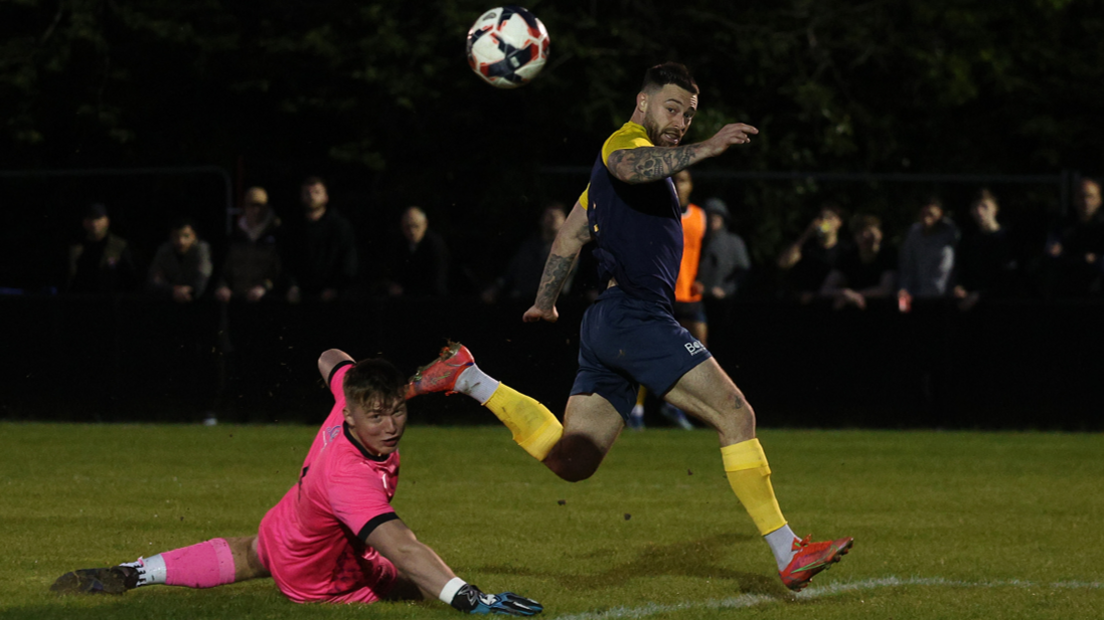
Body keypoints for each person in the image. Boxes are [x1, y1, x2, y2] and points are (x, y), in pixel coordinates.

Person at [408, 62, 852, 592]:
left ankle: (467, 377)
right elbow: (627, 165)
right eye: (672, 107)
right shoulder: (624, 147)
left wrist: (545, 302)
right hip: (637, 316)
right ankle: (788, 550)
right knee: (736, 414)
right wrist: (708, 147)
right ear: (642, 103)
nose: (682, 120)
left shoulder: (610, 182)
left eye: (689, 115)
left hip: (605, 324)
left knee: (573, 461)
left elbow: (569, 239)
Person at [49, 352, 542, 616]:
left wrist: (374, 381)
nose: (390, 425)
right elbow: (403, 546)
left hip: (287, 528)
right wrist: (470, 598)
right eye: (376, 416)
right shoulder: (352, 478)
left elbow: (331, 357)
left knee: (248, 554)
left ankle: (134, 572)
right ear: (350, 414)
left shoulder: (343, 399)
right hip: (322, 578)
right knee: (411, 584)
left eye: (397, 410)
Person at [631, 169, 706, 430]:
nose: (677, 185)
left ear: (691, 185)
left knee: (698, 353)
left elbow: (706, 253)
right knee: (649, 350)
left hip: (689, 295)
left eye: (682, 180)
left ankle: (676, 405)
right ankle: (636, 409)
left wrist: (706, 278)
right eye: (672, 180)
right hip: (661, 292)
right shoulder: (655, 213)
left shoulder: (699, 217)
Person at [281, 176, 358, 303]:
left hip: (332, 298)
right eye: (307, 192)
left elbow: (348, 260)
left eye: (317, 192)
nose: (311, 196)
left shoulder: (339, 226)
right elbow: (286, 259)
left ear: (326, 197)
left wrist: (335, 288)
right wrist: (292, 285)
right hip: (300, 297)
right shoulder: (293, 227)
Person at [482, 202, 573, 304]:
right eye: (549, 215)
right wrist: (495, 289)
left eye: (556, 216)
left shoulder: (570, 249)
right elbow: (511, 272)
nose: (552, 220)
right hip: (523, 302)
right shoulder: (529, 247)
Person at [953, 188, 1020, 311]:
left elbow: (1010, 279)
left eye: (984, 206)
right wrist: (959, 287)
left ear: (995, 210)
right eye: (975, 207)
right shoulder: (969, 241)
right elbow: (962, 271)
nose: (979, 212)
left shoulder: (1008, 239)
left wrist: (981, 295)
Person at [214, 186, 282, 303]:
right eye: (251, 205)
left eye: (260, 206)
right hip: (237, 301)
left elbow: (280, 273)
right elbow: (223, 269)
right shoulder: (235, 237)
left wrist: (264, 287)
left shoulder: (276, 236)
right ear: (245, 207)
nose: (256, 210)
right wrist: (222, 286)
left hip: (266, 301)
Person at [819, 214, 896, 310]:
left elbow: (886, 290)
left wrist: (856, 295)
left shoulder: (889, 256)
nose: (865, 236)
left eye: (869, 230)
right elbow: (826, 289)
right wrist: (845, 293)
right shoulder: (848, 258)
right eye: (860, 232)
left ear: (880, 234)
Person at [1044, 177, 1104, 297]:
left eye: (1091, 196)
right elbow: (1052, 253)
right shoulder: (1062, 226)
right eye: (1081, 196)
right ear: (1074, 200)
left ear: (1099, 200)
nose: (1086, 201)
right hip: (1069, 291)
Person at [897, 197, 959, 310]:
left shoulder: (948, 234)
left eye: (931, 214)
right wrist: (904, 289)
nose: (926, 218)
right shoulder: (914, 233)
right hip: (914, 295)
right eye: (923, 213)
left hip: (941, 298)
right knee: (901, 306)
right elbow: (907, 265)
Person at [777, 203, 846, 303]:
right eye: (820, 217)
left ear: (839, 223)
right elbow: (783, 263)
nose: (824, 220)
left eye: (829, 217)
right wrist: (807, 234)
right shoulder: (806, 247)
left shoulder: (843, 250)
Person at [66, 202, 139, 294]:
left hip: (110, 301)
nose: (94, 223)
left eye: (98, 218)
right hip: (82, 300)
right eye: (90, 218)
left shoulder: (119, 246)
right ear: (84, 222)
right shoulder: (76, 247)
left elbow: (131, 278)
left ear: (107, 221)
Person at [387, 206, 450, 298]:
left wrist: (406, 290)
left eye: (416, 226)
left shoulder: (435, 245)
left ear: (425, 224)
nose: (412, 231)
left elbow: (437, 282)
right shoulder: (400, 244)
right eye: (407, 227)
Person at [147, 217, 212, 303]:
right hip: (169, 301)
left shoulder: (201, 249)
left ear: (194, 236)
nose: (181, 241)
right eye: (176, 236)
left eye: (186, 236)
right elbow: (153, 281)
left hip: (198, 303)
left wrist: (189, 292)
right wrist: (173, 290)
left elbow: (202, 278)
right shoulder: (164, 250)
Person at [697, 197, 751, 301]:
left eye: (717, 216)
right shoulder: (698, 241)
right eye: (709, 216)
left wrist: (726, 289)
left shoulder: (734, 242)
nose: (713, 219)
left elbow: (743, 271)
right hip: (698, 299)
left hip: (725, 300)